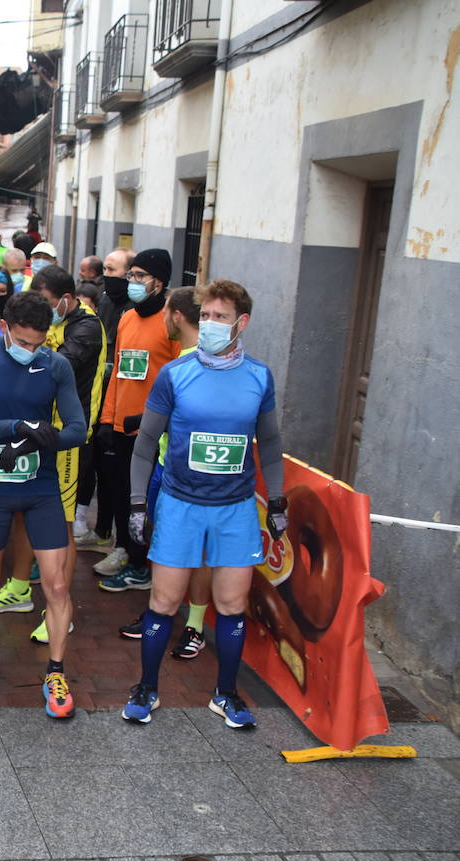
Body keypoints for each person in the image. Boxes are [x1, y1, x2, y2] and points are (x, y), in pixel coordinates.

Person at [122, 280, 283, 728]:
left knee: (232, 605)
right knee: (164, 601)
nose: (210, 324)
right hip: (180, 504)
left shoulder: (258, 376)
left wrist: (280, 499)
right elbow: (145, 443)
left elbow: (269, 445)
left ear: (241, 323)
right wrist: (138, 503)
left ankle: (226, 695)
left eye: (221, 317)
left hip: (234, 509)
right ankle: (147, 689)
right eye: (206, 316)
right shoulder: (177, 373)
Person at [0, 291, 87, 718]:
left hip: (40, 487)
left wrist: (37, 439)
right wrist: (15, 427)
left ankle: (56, 671)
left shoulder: (56, 364)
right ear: (5, 327)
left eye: (40, 342)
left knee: (58, 585)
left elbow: (78, 429)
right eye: (24, 342)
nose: (32, 351)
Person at [0, 266, 106, 646]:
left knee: (61, 526)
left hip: (67, 441)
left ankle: (60, 609)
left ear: (65, 300)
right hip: (33, 432)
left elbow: (50, 370)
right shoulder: (48, 327)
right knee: (26, 511)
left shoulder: (86, 329)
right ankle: (21, 589)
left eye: (45, 303)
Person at [115, 286, 214, 652]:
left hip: (190, 475)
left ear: (176, 316)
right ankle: (165, 614)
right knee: (166, 547)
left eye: (165, 313)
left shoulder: (197, 365)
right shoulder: (178, 366)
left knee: (194, 551)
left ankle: (192, 625)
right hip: (163, 466)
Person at [95, 249, 183, 593]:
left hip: (151, 429)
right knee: (118, 493)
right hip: (120, 425)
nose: (131, 282)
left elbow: (176, 379)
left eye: (138, 276)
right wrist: (107, 418)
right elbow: (118, 371)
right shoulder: (127, 317)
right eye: (130, 275)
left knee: (143, 498)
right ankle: (124, 549)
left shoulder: (171, 322)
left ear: (158, 283)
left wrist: (153, 420)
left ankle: (140, 563)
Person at [79, 247, 136, 551]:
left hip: (126, 409)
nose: (106, 276)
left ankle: (122, 544)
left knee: (119, 479)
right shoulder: (106, 302)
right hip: (102, 399)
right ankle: (101, 531)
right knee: (99, 468)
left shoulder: (132, 310)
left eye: (113, 270)